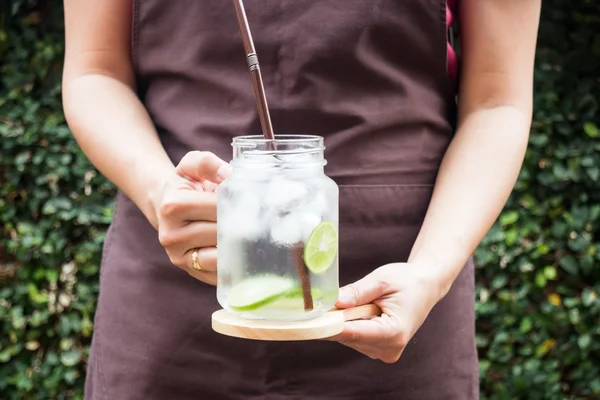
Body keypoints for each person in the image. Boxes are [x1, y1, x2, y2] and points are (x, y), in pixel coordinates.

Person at [61, 0, 541, 399]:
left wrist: (429, 273)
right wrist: (159, 190)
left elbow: (497, 101)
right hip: (175, 284)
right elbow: (95, 71)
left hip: (403, 279)